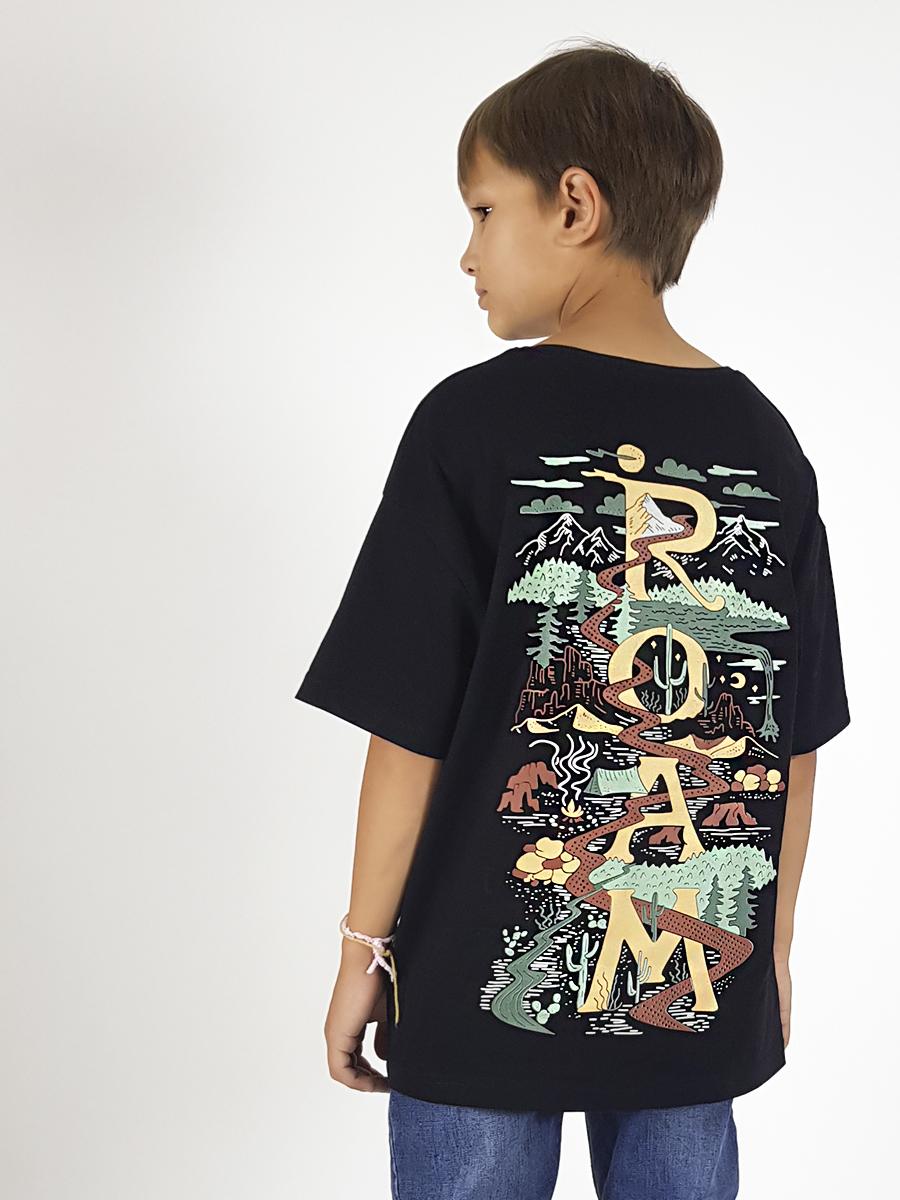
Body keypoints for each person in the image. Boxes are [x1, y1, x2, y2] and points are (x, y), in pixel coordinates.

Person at [294, 37, 850, 1200]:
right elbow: (791, 745)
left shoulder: (469, 424)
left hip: (479, 993)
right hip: (694, 983)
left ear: (575, 206)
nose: (467, 252)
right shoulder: (766, 445)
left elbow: (410, 730)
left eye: (483, 209)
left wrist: (362, 948)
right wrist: (771, 954)